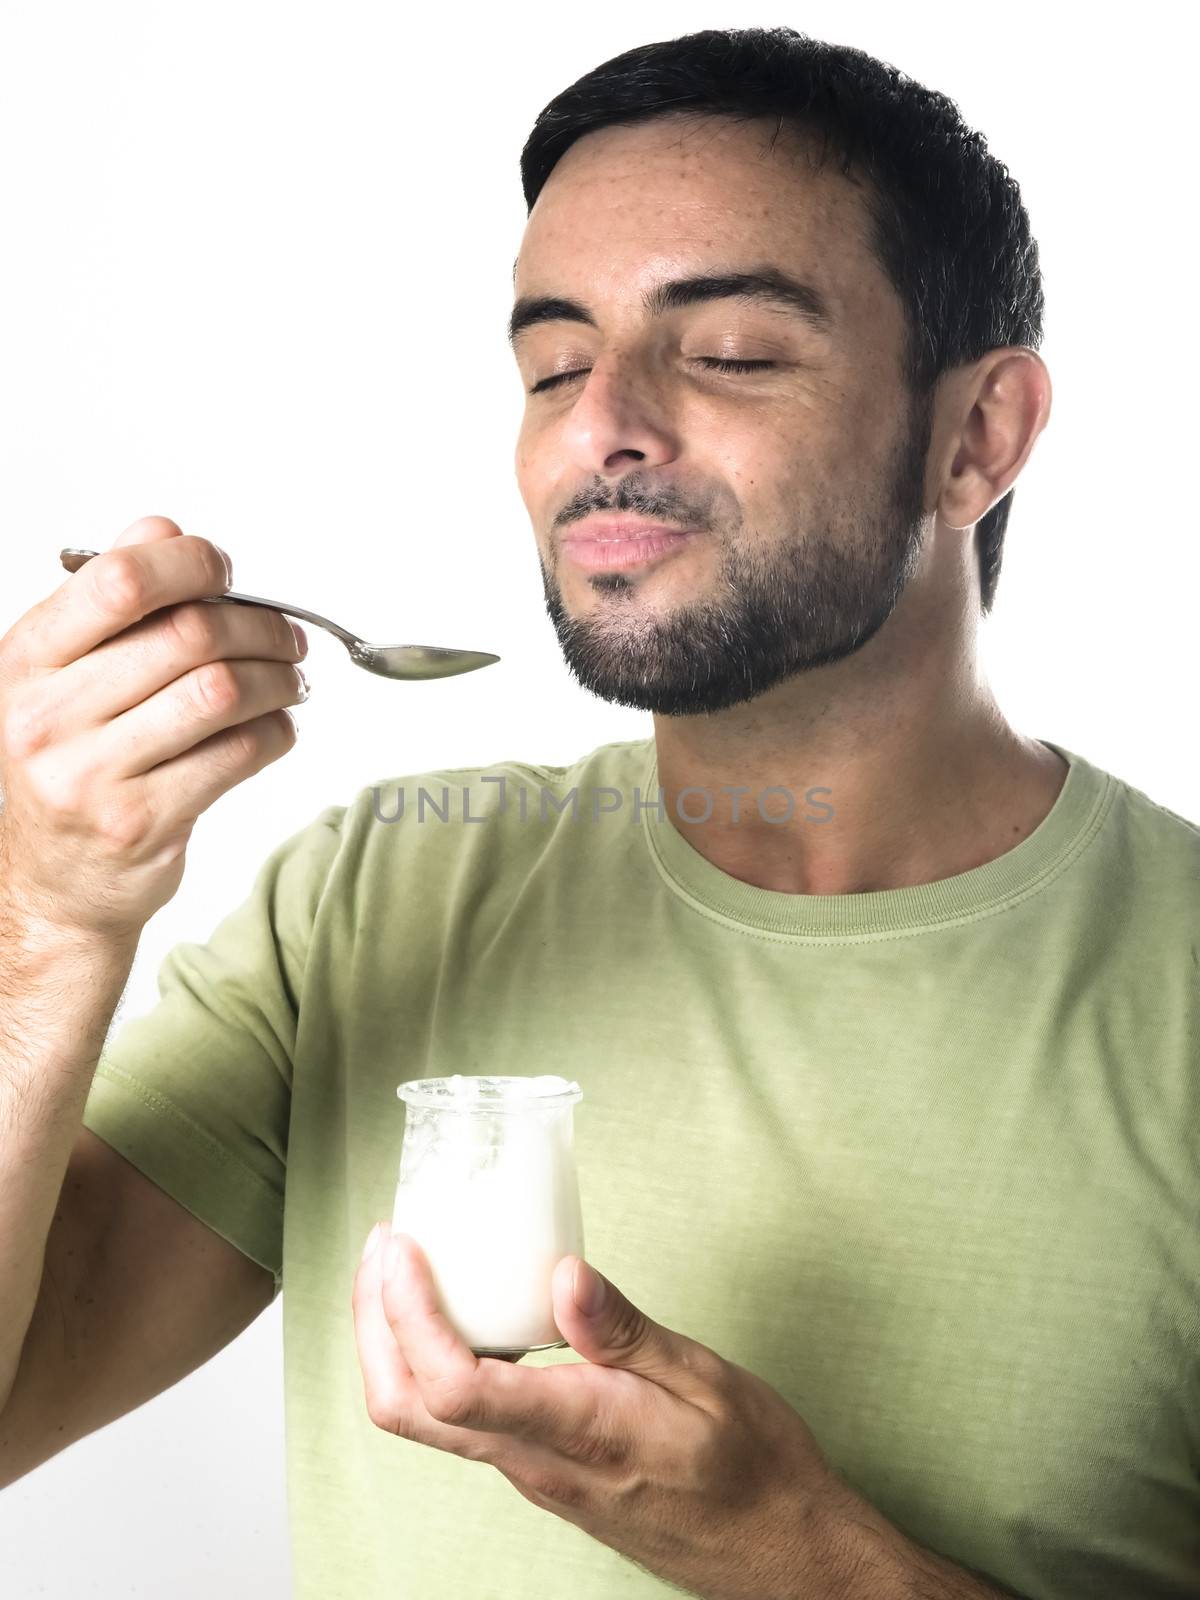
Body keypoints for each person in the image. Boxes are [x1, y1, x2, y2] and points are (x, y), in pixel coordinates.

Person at [0, 24, 1195, 1600]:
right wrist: (44, 923)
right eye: (554, 362)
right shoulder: (374, 899)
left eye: (732, 353)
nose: (597, 426)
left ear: (977, 435)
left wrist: (796, 1555)